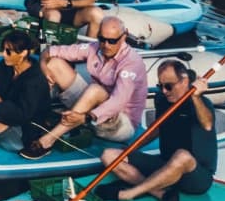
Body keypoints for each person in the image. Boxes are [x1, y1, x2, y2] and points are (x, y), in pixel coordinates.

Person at [93, 60, 216, 201]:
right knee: (109, 155)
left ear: (184, 81)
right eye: (161, 86)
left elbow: (207, 125)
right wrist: (130, 150)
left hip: (196, 176)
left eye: (169, 86)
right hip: (165, 164)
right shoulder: (161, 99)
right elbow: (157, 128)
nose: (164, 91)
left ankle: (129, 194)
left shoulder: (201, 103)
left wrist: (196, 97)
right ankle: (160, 193)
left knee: (182, 156)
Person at [23, 16, 149, 158]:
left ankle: (47, 141)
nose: (106, 45)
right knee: (54, 64)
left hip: (120, 124)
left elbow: (118, 101)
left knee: (95, 90)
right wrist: (43, 65)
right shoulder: (94, 48)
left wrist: (85, 118)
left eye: (112, 41)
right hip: (91, 112)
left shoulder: (132, 62)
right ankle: (35, 115)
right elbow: (52, 51)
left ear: (124, 37)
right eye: (102, 39)